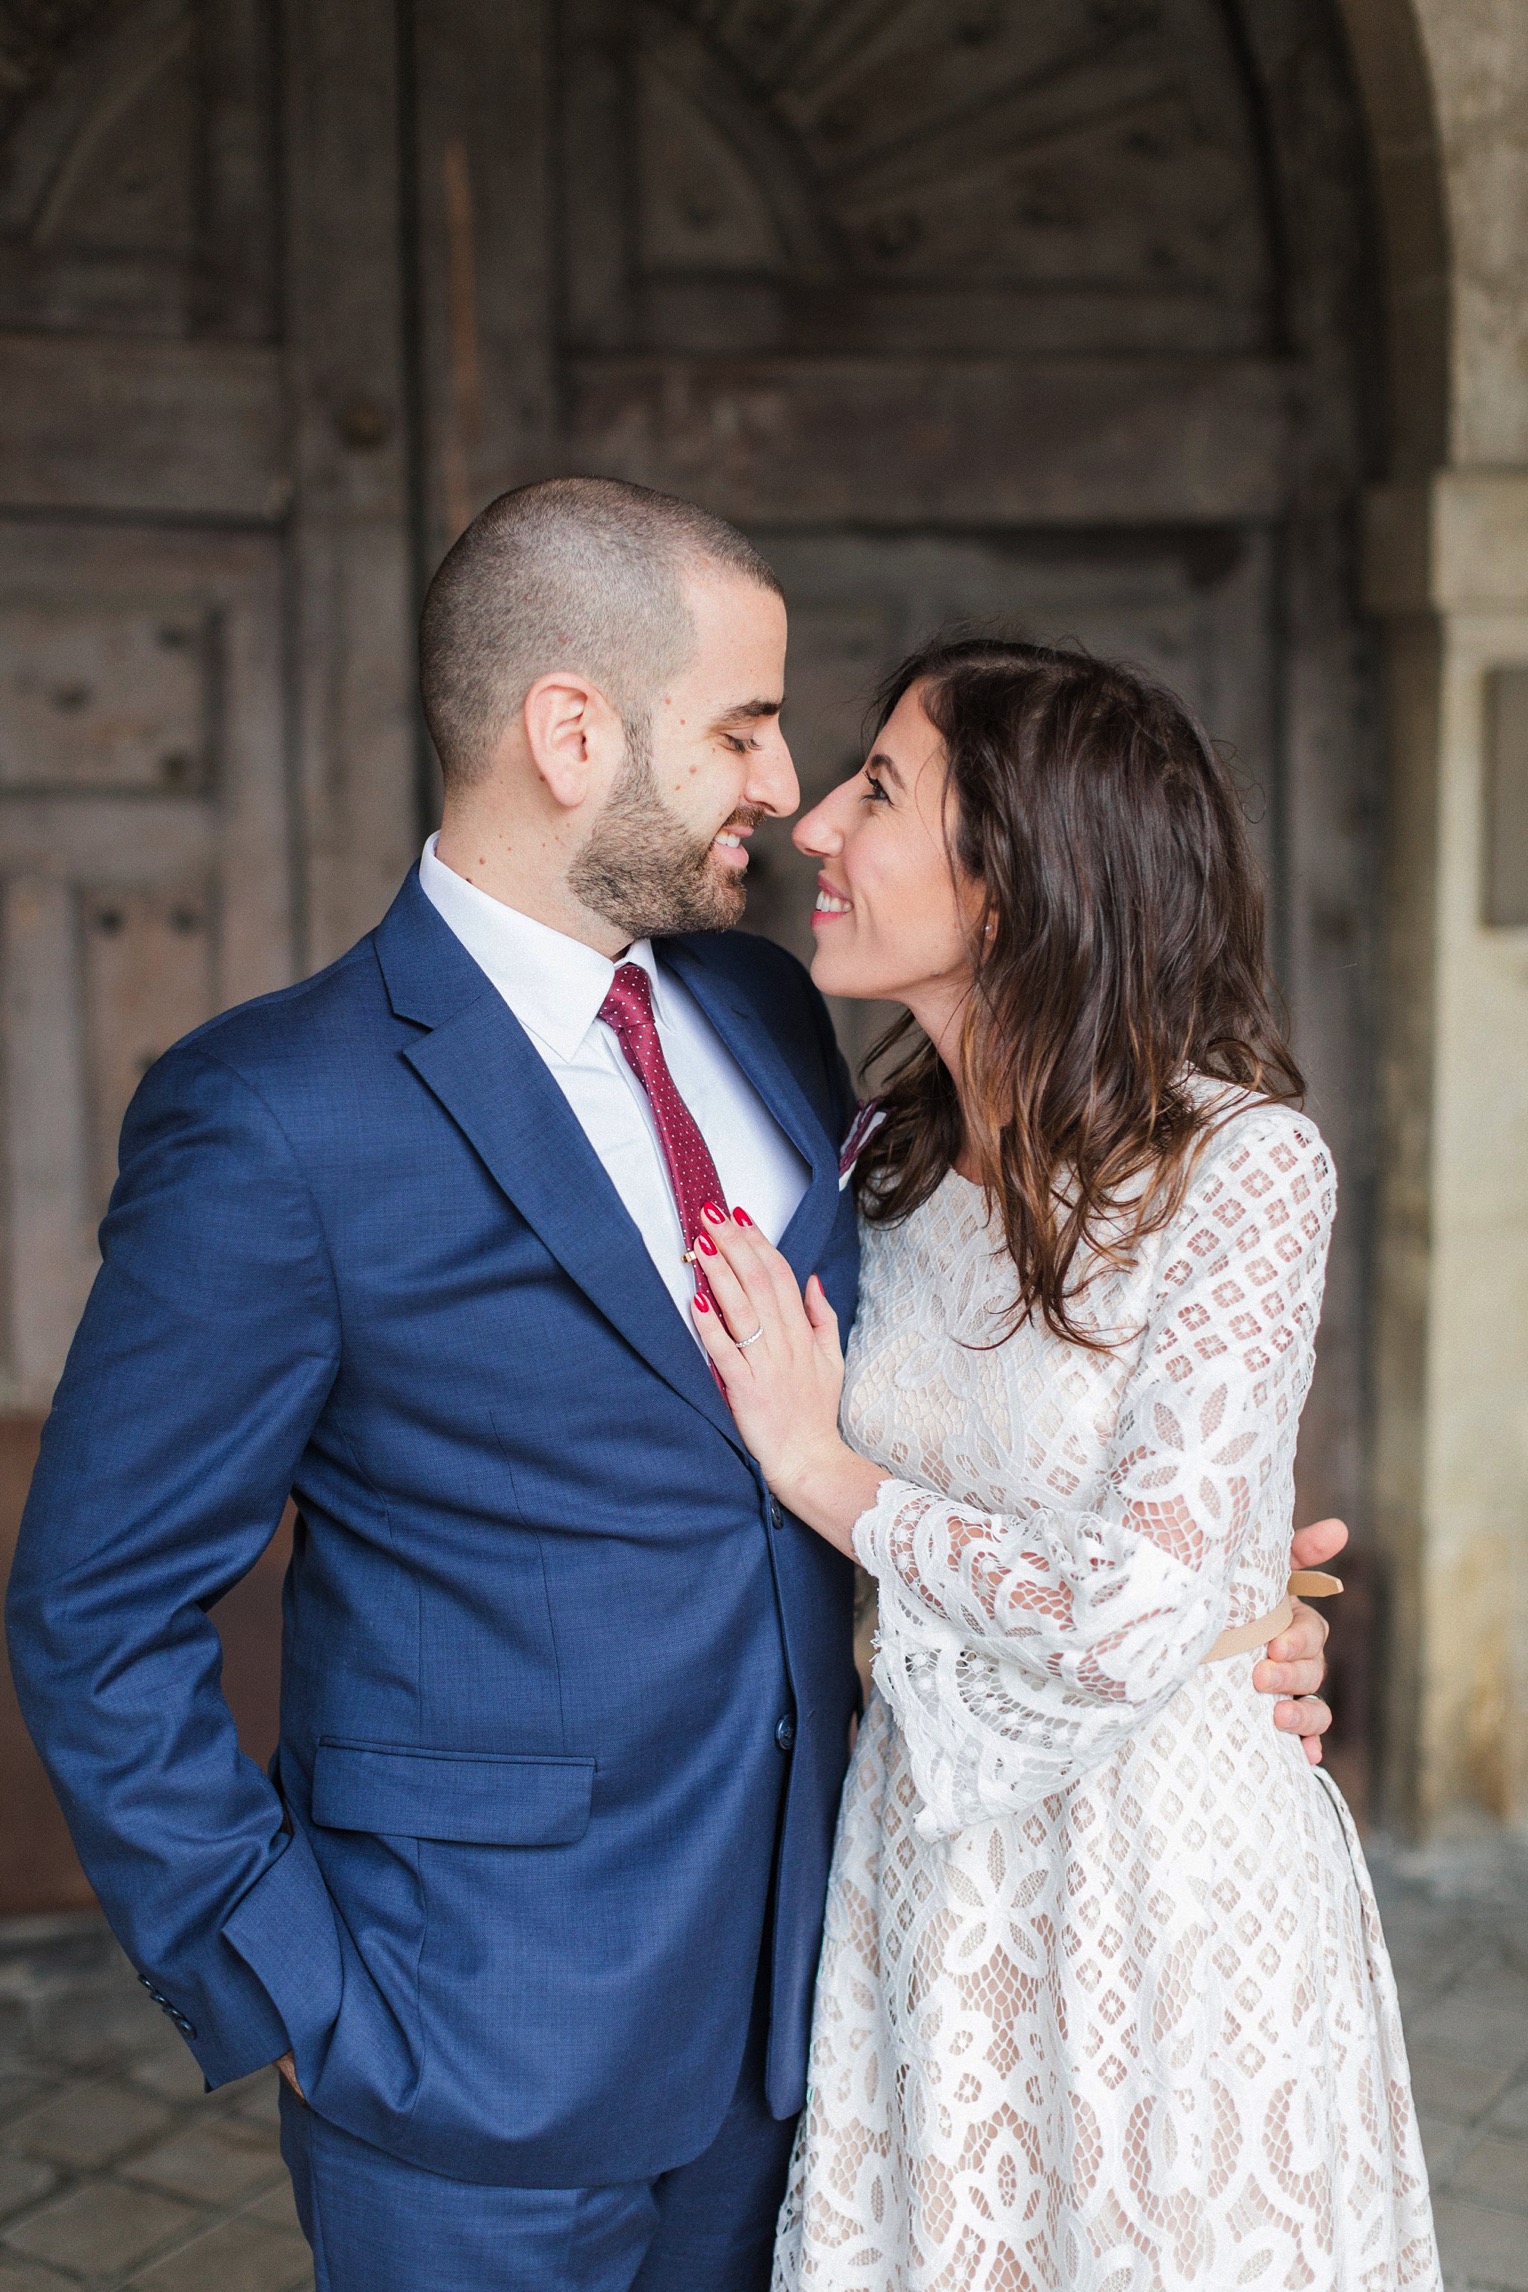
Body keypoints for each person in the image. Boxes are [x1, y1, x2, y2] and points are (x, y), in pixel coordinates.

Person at [6, 488, 1340, 2292]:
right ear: (573, 736)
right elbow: (96, 1607)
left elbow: (946, 1416)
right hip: (465, 2058)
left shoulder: (775, 1019)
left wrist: (1201, 1638)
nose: (784, 787)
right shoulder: (277, 1115)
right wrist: (290, 1987)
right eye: (739, 730)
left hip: (821, 2031)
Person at [679, 638, 1438, 2292]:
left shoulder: (1245, 1172)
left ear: (1012, 886)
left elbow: (1127, 1611)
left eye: (879, 788)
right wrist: (1247, 1591)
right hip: (932, 1880)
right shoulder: (876, 1163)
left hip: (1164, 1887)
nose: (816, 822)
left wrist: (830, 1471)